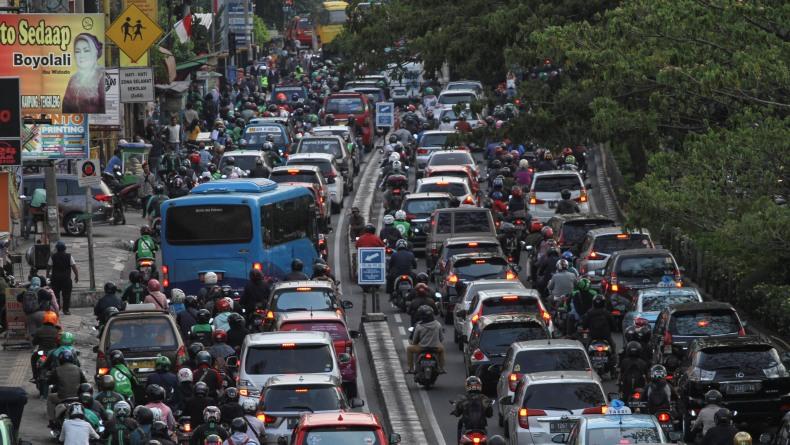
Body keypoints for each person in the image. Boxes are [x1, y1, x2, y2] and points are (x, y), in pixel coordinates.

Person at [62, 33, 105, 113]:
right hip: (75, 124)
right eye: (78, 52)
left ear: (95, 52)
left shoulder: (102, 76)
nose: (82, 55)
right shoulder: (73, 79)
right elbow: (65, 109)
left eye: (86, 51)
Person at [47, 349, 87, 425]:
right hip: (77, 397)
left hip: (62, 397)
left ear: (60, 360)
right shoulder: (78, 369)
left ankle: (52, 420)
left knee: (50, 397)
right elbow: (85, 382)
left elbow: (49, 382)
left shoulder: (57, 370)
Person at [451, 376, 493, 443]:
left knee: (460, 422)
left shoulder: (464, 399)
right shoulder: (485, 399)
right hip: (481, 430)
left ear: (467, 386)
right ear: (479, 386)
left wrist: (455, 412)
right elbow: (490, 414)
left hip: (468, 429)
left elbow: (457, 413)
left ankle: (459, 442)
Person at [406, 305, 446, 373]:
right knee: (442, 349)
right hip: (435, 348)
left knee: (409, 349)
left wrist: (414, 343)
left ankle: (411, 368)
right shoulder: (437, 324)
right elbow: (441, 338)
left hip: (422, 348)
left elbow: (415, 340)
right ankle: (441, 368)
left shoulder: (419, 326)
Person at [581, 294, 616, 360]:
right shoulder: (607, 313)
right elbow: (613, 325)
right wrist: (614, 329)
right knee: (613, 348)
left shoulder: (589, 313)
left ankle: (586, 360)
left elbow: (584, 325)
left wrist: (584, 327)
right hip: (606, 336)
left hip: (593, 336)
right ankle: (614, 361)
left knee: (586, 349)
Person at [49, 240, 78, 315]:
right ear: (65, 248)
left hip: (55, 279)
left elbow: (48, 267)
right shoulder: (69, 256)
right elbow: (74, 267)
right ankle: (66, 310)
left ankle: (57, 309)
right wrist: (76, 276)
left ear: (57, 248)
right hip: (66, 279)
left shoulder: (53, 256)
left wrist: (47, 276)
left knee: (55, 295)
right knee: (66, 295)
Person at [31, 310, 60, 380]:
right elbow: (59, 342)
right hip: (53, 353)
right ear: (55, 319)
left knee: (33, 358)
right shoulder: (57, 331)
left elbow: (34, 342)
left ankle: (34, 376)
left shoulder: (39, 330)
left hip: (42, 353)